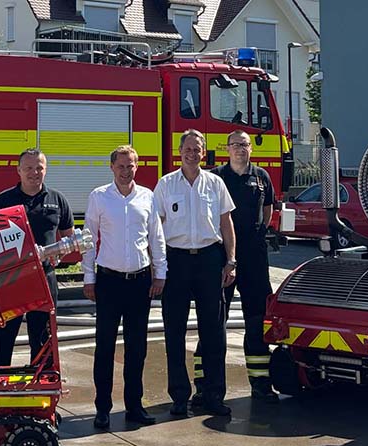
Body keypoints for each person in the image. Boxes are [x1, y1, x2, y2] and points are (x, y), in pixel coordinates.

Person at [83, 145, 167, 429]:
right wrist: (88, 278)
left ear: (136, 166)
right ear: (111, 167)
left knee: (137, 348)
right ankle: (102, 408)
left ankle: (134, 406)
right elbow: (88, 240)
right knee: (104, 347)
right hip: (108, 281)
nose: (125, 170)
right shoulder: (99, 197)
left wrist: (160, 274)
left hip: (140, 282)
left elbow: (156, 237)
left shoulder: (147, 196)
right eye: (120, 166)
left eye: (130, 165)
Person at [154, 129, 237, 417]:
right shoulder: (165, 185)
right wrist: (158, 266)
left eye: (197, 149)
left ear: (204, 152)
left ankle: (213, 396)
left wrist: (230, 260)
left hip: (209, 260)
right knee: (174, 332)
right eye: (188, 149)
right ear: (180, 152)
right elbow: (156, 228)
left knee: (214, 331)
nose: (192, 153)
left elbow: (226, 223)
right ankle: (179, 396)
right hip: (176, 262)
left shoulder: (215, 183)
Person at [192, 130, 278, 404]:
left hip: (254, 258)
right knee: (213, 320)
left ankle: (261, 384)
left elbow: (268, 210)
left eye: (245, 145)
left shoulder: (261, 177)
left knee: (257, 321)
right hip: (220, 257)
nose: (241, 149)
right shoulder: (215, 177)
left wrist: (258, 234)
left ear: (251, 149)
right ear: (227, 149)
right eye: (236, 145)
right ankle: (204, 386)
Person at [0, 148, 74, 368]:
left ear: (46, 170)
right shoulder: (2, 201)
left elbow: (69, 237)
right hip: (9, 282)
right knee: (2, 337)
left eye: (39, 168)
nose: (34, 173)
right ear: (19, 171)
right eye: (29, 168)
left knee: (43, 337)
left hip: (44, 279)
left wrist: (59, 254)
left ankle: (41, 383)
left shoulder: (57, 200)